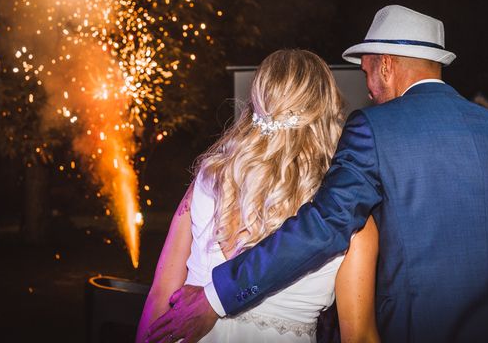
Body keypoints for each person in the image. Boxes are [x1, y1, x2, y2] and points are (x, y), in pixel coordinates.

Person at [151, 4, 488, 343]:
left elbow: (326, 222)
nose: (367, 89)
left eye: (366, 72)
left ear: (385, 66)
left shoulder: (375, 128)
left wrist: (219, 296)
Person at [138, 49, 380, 342]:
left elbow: (161, 294)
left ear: (258, 100)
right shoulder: (349, 221)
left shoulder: (208, 178)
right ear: (328, 110)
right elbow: (359, 337)